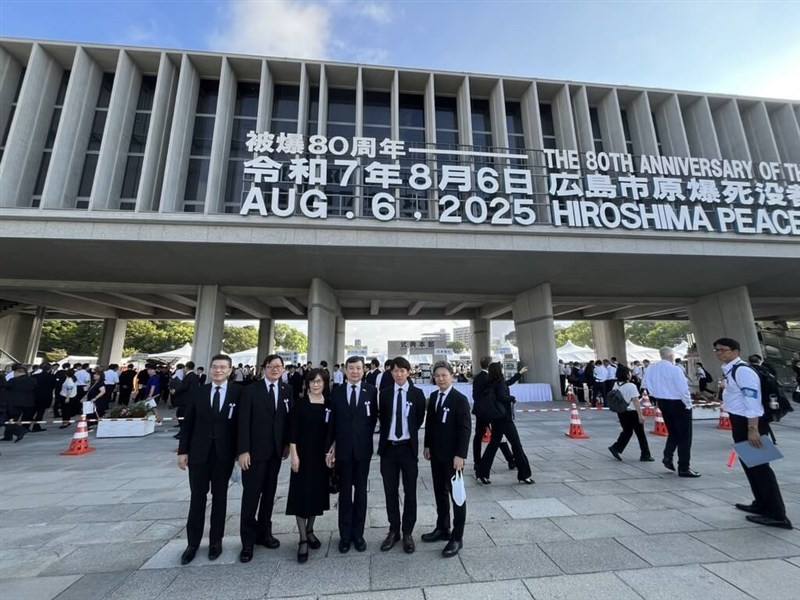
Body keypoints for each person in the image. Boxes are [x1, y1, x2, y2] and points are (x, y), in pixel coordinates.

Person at [715, 338, 792, 529]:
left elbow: (753, 402)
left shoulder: (743, 371)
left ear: (735, 351)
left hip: (750, 423)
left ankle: (777, 514)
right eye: (716, 350)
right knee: (751, 465)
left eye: (722, 350)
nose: (719, 353)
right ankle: (761, 503)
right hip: (740, 422)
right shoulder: (731, 370)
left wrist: (753, 429)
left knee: (760, 468)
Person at [177, 354, 242, 564]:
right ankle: (192, 544)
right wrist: (182, 451)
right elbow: (187, 424)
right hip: (198, 453)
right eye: (215, 367)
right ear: (210, 369)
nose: (219, 370)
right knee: (197, 498)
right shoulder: (199, 392)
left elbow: (241, 426)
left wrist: (241, 452)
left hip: (224, 454)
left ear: (230, 370)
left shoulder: (237, 393)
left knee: (220, 498)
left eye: (223, 367)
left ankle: (216, 542)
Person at [238, 354, 293, 563]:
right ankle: (247, 542)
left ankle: (264, 533)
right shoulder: (251, 390)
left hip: (276, 453)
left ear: (283, 369)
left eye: (279, 366)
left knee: (269, 495)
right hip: (254, 453)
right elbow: (243, 422)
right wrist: (243, 450)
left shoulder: (287, 390)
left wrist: (287, 444)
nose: (275, 370)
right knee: (251, 497)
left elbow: (288, 420)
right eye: (271, 366)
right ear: (264, 368)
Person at [326, 356, 378, 554]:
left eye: (358, 368)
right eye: (351, 368)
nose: (355, 371)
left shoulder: (371, 391)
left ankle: (359, 534)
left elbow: (373, 419)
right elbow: (332, 422)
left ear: (363, 370)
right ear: (345, 370)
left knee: (361, 492)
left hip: (363, 450)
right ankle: (345, 535)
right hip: (344, 451)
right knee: (345, 493)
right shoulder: (337, 392)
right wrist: (331, 446)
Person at [377, 356, 426, 554]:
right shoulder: (385, 394)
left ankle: (407, 532)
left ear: (408, 372)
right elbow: (382, 416)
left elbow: (419, 417)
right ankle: (393, 529)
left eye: (402, 371)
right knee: (390, 491)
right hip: (388, 449)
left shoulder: (417, 394)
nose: (398, 374)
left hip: (407, 449)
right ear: (391, 373)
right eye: (395, 371)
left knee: (410, 492)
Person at [422, 362, 471, 557]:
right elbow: (431, 425)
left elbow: (465, 429)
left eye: (444, 375)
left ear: (452, 376)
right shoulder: (433, 397)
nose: (440, 379)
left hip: (453, 457)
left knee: (457, 496)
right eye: (437, 376)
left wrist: (461, 454)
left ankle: (457, 537)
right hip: (436, 454)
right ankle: (443, 527)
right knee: (439, 492)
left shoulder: (460, 399)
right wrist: (426, 445)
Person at [287, 368, 332, 563]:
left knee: (316, 495)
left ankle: (310, 530)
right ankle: (303, 539)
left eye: (319, 382)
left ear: (325, 384)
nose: (315, 385)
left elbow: (333, 430)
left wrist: (332, 451)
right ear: (307, 384)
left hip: (320, 458)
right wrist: (294, 455)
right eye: (312, 381)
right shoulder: (300, 404)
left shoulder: (329, 405)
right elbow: (293, 432)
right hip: (303, 456)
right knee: (300, 495)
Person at [642, 347, 699, 477]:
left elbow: (645, 384)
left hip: (662, 402)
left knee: (673, 432)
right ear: (671, 355)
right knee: (685, 436)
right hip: (678, 402)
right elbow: (683, 389)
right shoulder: (675, 369)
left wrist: (655, 395)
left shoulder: (651, 368)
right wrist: (688, 405)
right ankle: (684, 467)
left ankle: (668, 456)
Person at [476, 362, 534, 485]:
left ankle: (482, 473)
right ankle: (524, 474)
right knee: (516, 445)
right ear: (499, 371)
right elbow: (502, 396)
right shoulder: (499, 382)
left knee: (492, 446)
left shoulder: (490, 382)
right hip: (505, 419)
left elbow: (507, 383)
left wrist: (519, 374)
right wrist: (512, 398)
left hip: (495, 419)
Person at [471, 355, 514, 477]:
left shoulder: (478, 377)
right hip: (491, 412)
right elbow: (501, 390)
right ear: (490, 365)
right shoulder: (491, 378)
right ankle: (510, 460)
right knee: (498, 436)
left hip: (480, 412)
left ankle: (477, 461)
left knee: (478, 436)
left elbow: (475, 396)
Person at [608, 366, 653, 462]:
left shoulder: (616, 384)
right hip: (632, 412)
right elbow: (636, 401)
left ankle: (616, 447)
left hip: (622, 412)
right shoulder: (631, 386)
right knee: (640, 434)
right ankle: (645, 455)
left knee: (627, 431)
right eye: (629, 372)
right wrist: (640, 415)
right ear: (626, 374)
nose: (630, 374)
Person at [1, 364, 36, 443]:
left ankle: (18, 431)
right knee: (20, 419)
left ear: (17, 372)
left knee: (10, 419)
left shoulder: (13, 380)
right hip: (28, 403)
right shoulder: (32, 380)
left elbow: (6, 388)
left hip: (14, 403)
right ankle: (9, 435)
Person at [172, 361, 200, 440]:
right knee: (183, 416)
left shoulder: (189, 376)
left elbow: (184, 387)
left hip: (186, 400)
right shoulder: (194, 376)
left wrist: (175, 391)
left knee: (181, 415)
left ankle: (183, 433)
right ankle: (182, 432)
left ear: (186, 367)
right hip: (190, 399)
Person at [31, 362, 57, 432]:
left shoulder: (35, 376)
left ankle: (25, 426)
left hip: (35, 395)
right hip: (46, 396)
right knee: (40, 412)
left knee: (31, 412)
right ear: (50, 369)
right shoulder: (52, 377)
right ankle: (36, 427)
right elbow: (54, 386)